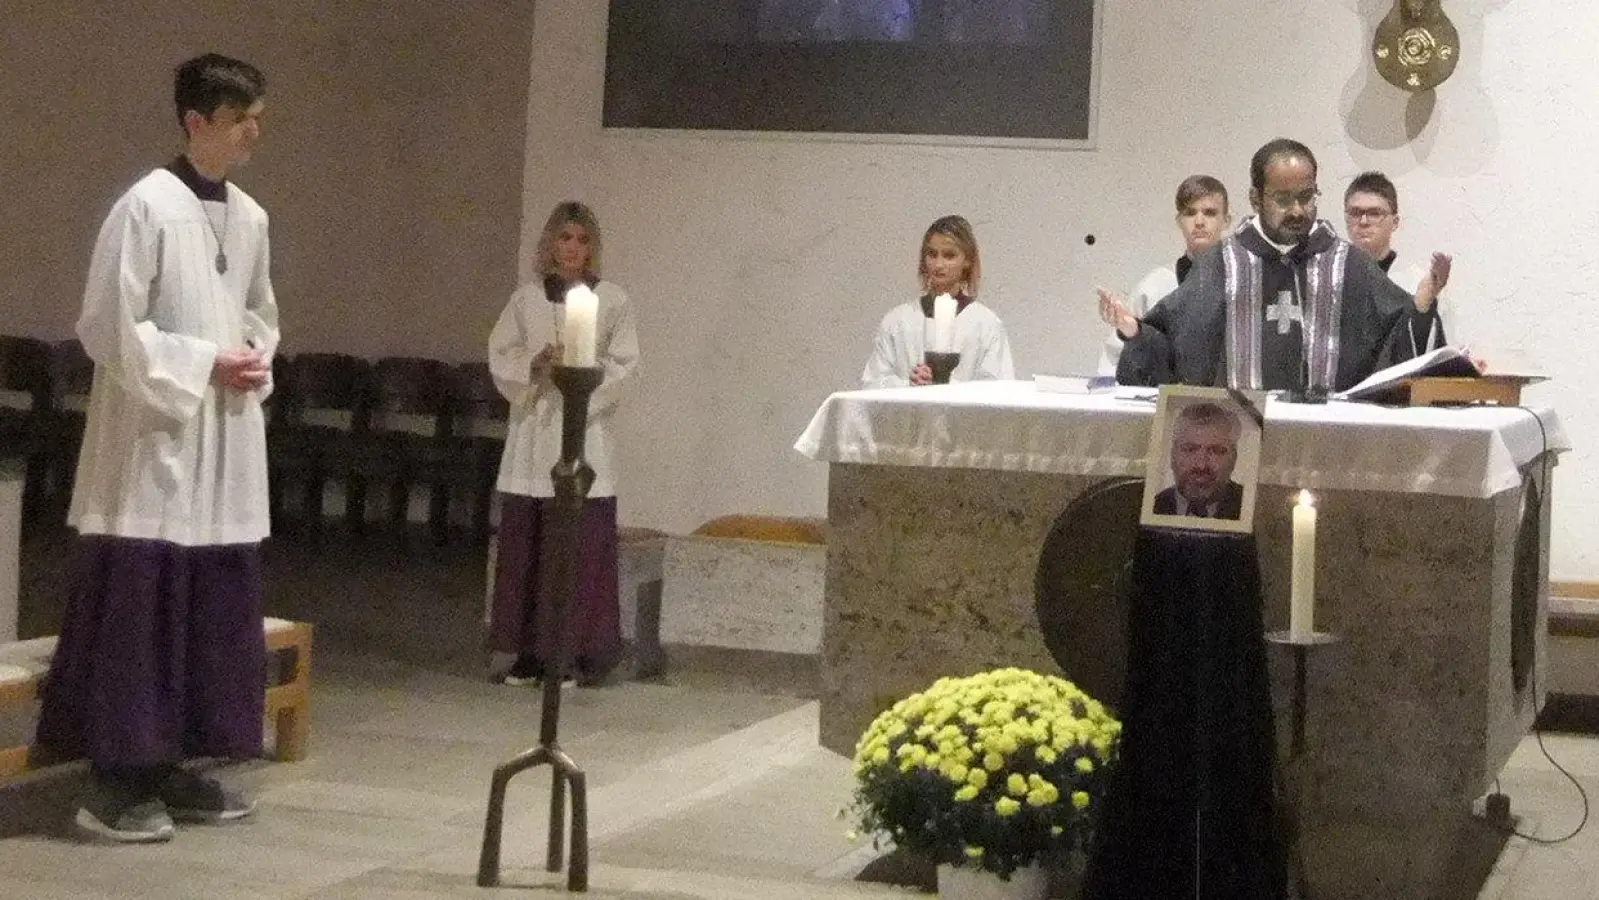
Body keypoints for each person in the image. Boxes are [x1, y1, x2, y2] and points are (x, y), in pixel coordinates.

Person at [36, 54, 276, 843]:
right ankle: (113, 782)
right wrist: (203, 363)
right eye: (240, 120)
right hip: (153, 442)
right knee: (144, 608)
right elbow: (107, 324)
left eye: (257, 119)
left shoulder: (250, 217)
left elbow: (259, 311)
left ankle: (172, 763)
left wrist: (254, 355)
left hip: (222, 442)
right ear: (195, 121)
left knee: (207, 607)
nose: (253, 134)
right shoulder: (143, 207)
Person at [1101, 138, 1451, 393]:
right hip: (1241, 435)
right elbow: (1174, 344)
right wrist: (1135, 331)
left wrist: (1421, 308)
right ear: (1256, 198)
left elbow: (1396, 343)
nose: (1297, 210)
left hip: (1327, 438)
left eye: (1306, 196)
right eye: (1283, 199)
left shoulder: (1347, 264)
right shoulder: (1223, 264)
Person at [487, 201, 640, 687]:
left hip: (582, 432)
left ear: (592, 247)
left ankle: (571, 652)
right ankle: (528, 653)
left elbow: (625, 365)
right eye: (564, 237)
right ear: (550, 243)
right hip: (534, 431)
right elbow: (501, 353)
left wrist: (580, 375)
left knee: (576, 550)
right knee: (530, 549)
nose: (573, 248)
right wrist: (534, 364)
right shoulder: (526, 300)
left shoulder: (612, 300)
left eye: (582, 239)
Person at [1097, 176, 1232, 377]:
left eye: (1210, 213)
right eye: (1190, 213)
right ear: (1179, 221)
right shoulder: (1154, 286)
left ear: (1226, 220)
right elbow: (1115, 358)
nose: (1199, 221)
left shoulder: (1244, 282)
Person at [860, 215, 1015, 388]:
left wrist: (946, 386)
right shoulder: (898, 321)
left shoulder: (985, 324)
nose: (939, 265)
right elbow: (872, 384)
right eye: (932, 255)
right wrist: (909, 384)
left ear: (967, 261)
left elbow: (999, 389)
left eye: (949, 256)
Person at [1344, 171, 1446, 355]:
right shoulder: (1335, 276)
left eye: (1375, 213)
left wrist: (1422, 310)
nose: (1363, 221)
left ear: (1395, 222)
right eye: (1355, 213)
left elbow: (1431, 353)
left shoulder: (1416, 282)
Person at [1152, 402, 1243, 520]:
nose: (1201, 465)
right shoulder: (1147, 507)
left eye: (1217, 451)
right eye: (1189, 449)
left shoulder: (1252, 508)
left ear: (1233, 458)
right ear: (1173, 455)